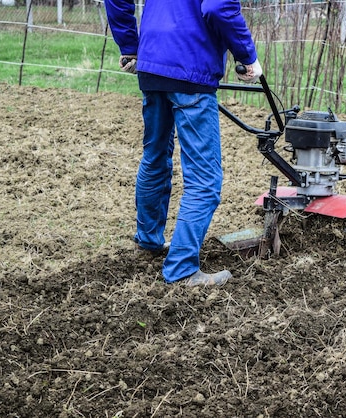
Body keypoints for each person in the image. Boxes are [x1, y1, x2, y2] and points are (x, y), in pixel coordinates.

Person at [104, 0, 262, 286]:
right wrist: (247, 56)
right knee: (204, 179)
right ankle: (181, 269)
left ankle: (148, 243)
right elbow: (217, 7)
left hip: (151, 63)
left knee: (155, 156)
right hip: (191, 64)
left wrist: (129, 44)